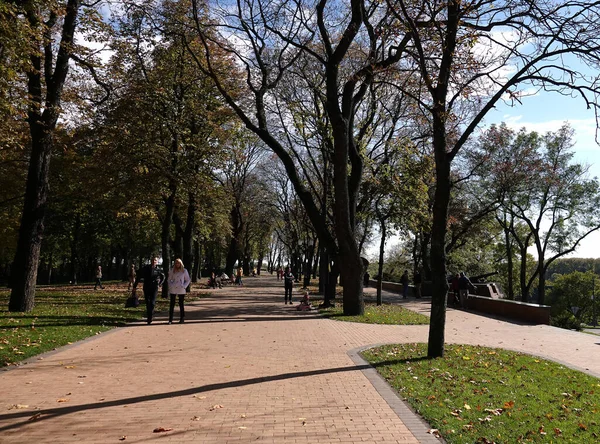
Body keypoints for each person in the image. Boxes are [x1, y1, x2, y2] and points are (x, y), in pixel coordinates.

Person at [132, 256, 165, 325]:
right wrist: (135, 286)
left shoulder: (158, 269)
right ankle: (149, 317)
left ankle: (150, 316)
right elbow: (138, 276)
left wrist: (160, 284)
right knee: (148, 302)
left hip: (154, 287)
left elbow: (163, 277)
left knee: (152, 303)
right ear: (151, 261)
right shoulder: (146, 268)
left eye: (155, 260)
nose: (154, 261)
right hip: (147, 286)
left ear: (157, 261)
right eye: (153, 260)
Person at [167, 258, 191, 324]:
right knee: (172, 304)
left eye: (178, 263)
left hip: (181, 289)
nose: (177, 264)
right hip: (173, 288)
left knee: (181, 304)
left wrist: (184, 286)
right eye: (176, 263)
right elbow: (169, 279)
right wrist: (171, 285)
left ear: (181, 264)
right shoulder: (172, 270)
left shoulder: (184, 271)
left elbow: (188, 279)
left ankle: (182, 318)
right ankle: (170, 319)